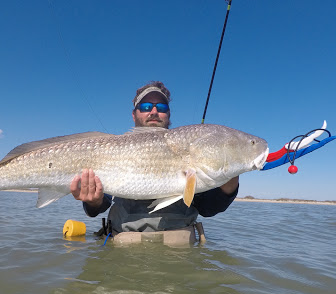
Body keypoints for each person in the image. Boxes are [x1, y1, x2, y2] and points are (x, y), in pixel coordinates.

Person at [69, 81, 239, 243]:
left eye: (162, 107)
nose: (154, 111)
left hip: (179, 254)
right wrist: (93, 201)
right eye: (146, 107)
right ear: (134, 114)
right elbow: (97, 208)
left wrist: (229, 183)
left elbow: (208, 209)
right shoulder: (111, 149)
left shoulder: (189, 149)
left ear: (169, 114)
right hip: (123, 252)